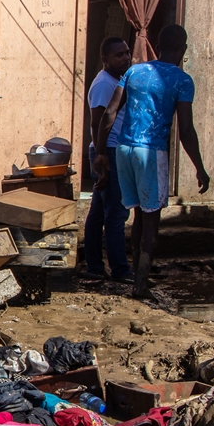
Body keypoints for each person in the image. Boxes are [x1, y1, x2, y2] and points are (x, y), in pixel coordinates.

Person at [98, 24, 209, 297]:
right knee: (151, 222)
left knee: (137, 215)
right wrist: (200, 168)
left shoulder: (133, 71)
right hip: (152, 152)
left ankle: (138, 276)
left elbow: (110, 113)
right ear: (182, 49)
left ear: (158, 47)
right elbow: (186, 130)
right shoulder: (183, 81)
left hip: (124, 149)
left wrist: (101, 151)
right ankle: (140, 284)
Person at [82, 37, 133, 282]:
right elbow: (97, 122)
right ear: (105, 59)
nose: (125, 58)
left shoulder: (118, 80)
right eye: (119, 55)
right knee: (116, 213)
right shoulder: (104, 84)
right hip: (109, 151)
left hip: (109, 150)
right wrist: (101, 156)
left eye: (126, 53)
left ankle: (94, 266)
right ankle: (120, 270)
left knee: (100, 212)